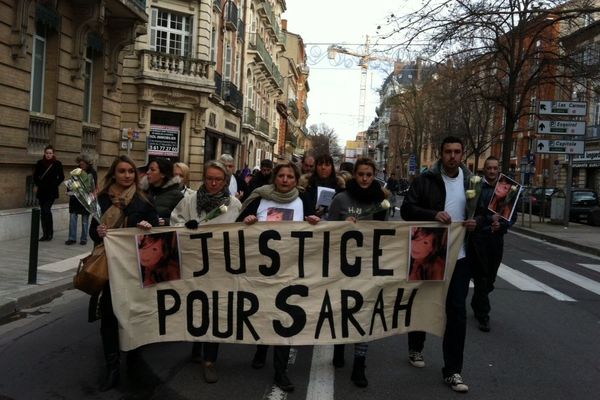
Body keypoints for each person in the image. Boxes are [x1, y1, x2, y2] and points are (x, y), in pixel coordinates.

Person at [400, 136, 476, 393]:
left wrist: (476, 222)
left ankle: (453, 370)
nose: (452, 156)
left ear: (462, 154)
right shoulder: (426, 179)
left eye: (457, 152)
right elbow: (407, 209)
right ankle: (415, 346)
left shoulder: (471, 181)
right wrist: (433, 215)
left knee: (456, 311)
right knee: (423, 302)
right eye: (448, 152)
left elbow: (485, 213)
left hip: (460, 255)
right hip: (430, 252)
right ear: (440, 154)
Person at [237, 160, 320, 392]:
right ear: (275, 178)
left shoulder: (303, 200)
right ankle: (261, 349)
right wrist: (247, 222)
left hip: (290, 270)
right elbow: (236, 228)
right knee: (263, 311)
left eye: (290, 177)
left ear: (296, 179)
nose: (285, 180)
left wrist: (313, 221)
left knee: (285, 318)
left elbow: (313, 228)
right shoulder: (258, 197)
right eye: (281, 176)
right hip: (261, 269)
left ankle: (280, 371)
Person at [89, 155, 159, 391]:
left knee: (134, 315)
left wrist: (149, 229)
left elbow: (156, 235)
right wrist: (98, 231)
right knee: (109, 316)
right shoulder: (100, 200)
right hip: (111, 267)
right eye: (122, 171)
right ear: (113, 174)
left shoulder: (144, 201)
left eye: (131, 171)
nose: (127, 175)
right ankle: (112, 367)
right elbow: (92, 232)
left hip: (136, 268)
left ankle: (134, 362)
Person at [170, 160, 241, 383]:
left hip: (220, 268)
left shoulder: (234, 205)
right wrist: (185, 227)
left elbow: (240, 236)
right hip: (195, 265)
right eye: (209, 178)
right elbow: (175, 220)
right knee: (196, 304)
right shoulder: (190, 201)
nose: (212, 183)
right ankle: (196, 344)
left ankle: (210, 360)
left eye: (218, 179)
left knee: (217, 310)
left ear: (225, 181)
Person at [327, 157, 388, 388]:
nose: (364, 179)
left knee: (364, 313)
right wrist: (343, 225)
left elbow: (386, 233)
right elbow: (327, 228)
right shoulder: (341, 199)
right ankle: (340, 344)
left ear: (374, 176)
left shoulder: (380, 201)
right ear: (355, 175)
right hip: (341, 266)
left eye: (369, 175)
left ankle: (360, 364)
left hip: (367, 266)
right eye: (361, 174)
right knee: (342, 309)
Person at [469, 156, 515, 332]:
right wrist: (489, 220)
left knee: (490, 280)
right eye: (489, 168)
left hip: (496, 239)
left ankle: (477, 300)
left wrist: (503, 224)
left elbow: (512, 216)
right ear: (484, 169)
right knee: (482, 276)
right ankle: (483, 316)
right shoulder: (477, 187)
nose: (492, 171)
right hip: (479, 237)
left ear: (499, 170)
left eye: (495, 168)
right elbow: (475, 210)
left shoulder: (507, 189)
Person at [33, 145, 65, 241]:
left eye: (50, 153)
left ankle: (50, 233)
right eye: (47, 153)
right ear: (44, 153)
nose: (48, 155)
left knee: (47, 210)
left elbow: (62, 177)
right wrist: (39, 184)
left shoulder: (57, 163)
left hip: (51, 192)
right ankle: (45, 234)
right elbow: (35, 176)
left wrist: (54, 184)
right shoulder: (39, 163)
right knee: (43, 212)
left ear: (53, 154)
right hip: (42, 191)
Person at [299, 154, 345, 219]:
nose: (323, 167)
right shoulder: (306, 185)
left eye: (327, 165)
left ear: (332, 168)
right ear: (316, 167)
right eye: (320, 164)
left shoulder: (339, 187)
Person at [66, 154, 97, 245]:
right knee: (72, 218)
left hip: (85, 198)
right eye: (80, 163)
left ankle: (83, 238)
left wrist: (92, 194)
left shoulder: (92, 172)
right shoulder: (76, 171)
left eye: (83, 163)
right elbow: (71, 182)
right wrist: (69, 190)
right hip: (75, 198)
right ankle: (72, 238)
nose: (81, 165)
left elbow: (93, 185)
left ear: (87, 163)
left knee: (85, 220)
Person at [142, 158, 183, 226]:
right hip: (141, 234)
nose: (148, 172)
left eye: (152, 170)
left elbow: (182, 219)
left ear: (163, 174)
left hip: (163, 235)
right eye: (148, 169)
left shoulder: (176, 195)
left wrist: (165, 222)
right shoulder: (143, 192)